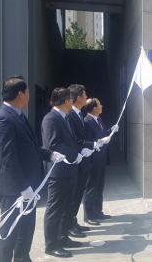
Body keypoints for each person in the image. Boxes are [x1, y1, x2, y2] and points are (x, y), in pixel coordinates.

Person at [0, 76, 57, 262]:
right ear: (20, 94)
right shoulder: (2, 119)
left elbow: (30, 147)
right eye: (28, 92)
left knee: (26, 229)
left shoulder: (19, 115)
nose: (29, 95)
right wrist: (23, 187)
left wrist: (49, 155)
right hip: (14, 189)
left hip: (30, 187)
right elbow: (8, 157)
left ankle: (22, 258)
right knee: (9, 231)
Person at [41, 88, 83, 258]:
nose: (72, 102)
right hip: (58, 172)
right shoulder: (51, 118)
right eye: (71, 99)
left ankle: (62, 236)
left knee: (66, 206)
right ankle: (51, 244)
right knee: (55, 208)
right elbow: (53, 143)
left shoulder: (64, 117)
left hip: (69, 169)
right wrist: (75, 155)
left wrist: (79, 152)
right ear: (66, 101)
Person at [66, 84, 96, 236]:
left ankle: (74, 221)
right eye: (85, 95)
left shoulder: (78, 114)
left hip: (84, 161)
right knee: (73, 195)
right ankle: (69, 224)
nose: (86, 97)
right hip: (76, 161)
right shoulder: (70, 115)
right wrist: (91, 144)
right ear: (79, 97)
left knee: (78, 195)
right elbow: (75, 139)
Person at [83, 98, 111, 224]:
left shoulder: (99, 120)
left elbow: (102, 135)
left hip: (101, 159)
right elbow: (86, 140)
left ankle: (98, 212)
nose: (102, 105)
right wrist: (97, 143)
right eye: (100, 104)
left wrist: (111, 131)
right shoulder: (87, 121)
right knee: (91, 187)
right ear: (94, 108)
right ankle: (89, 215)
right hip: (92, 160)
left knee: (99, 187)